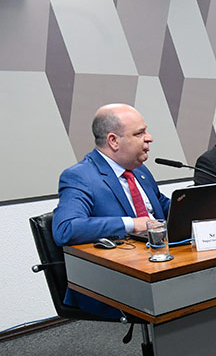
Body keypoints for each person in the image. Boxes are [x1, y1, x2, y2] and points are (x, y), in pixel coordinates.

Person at [52, 103, 170, 317]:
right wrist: (132, 223)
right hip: (115, 280)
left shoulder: (140, 171)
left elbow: (162, 207)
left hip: (159, 263)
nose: (149, 138)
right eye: (140, 133)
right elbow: (66, 229)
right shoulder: (81, 176)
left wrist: (199, 205)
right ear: (113, 141)